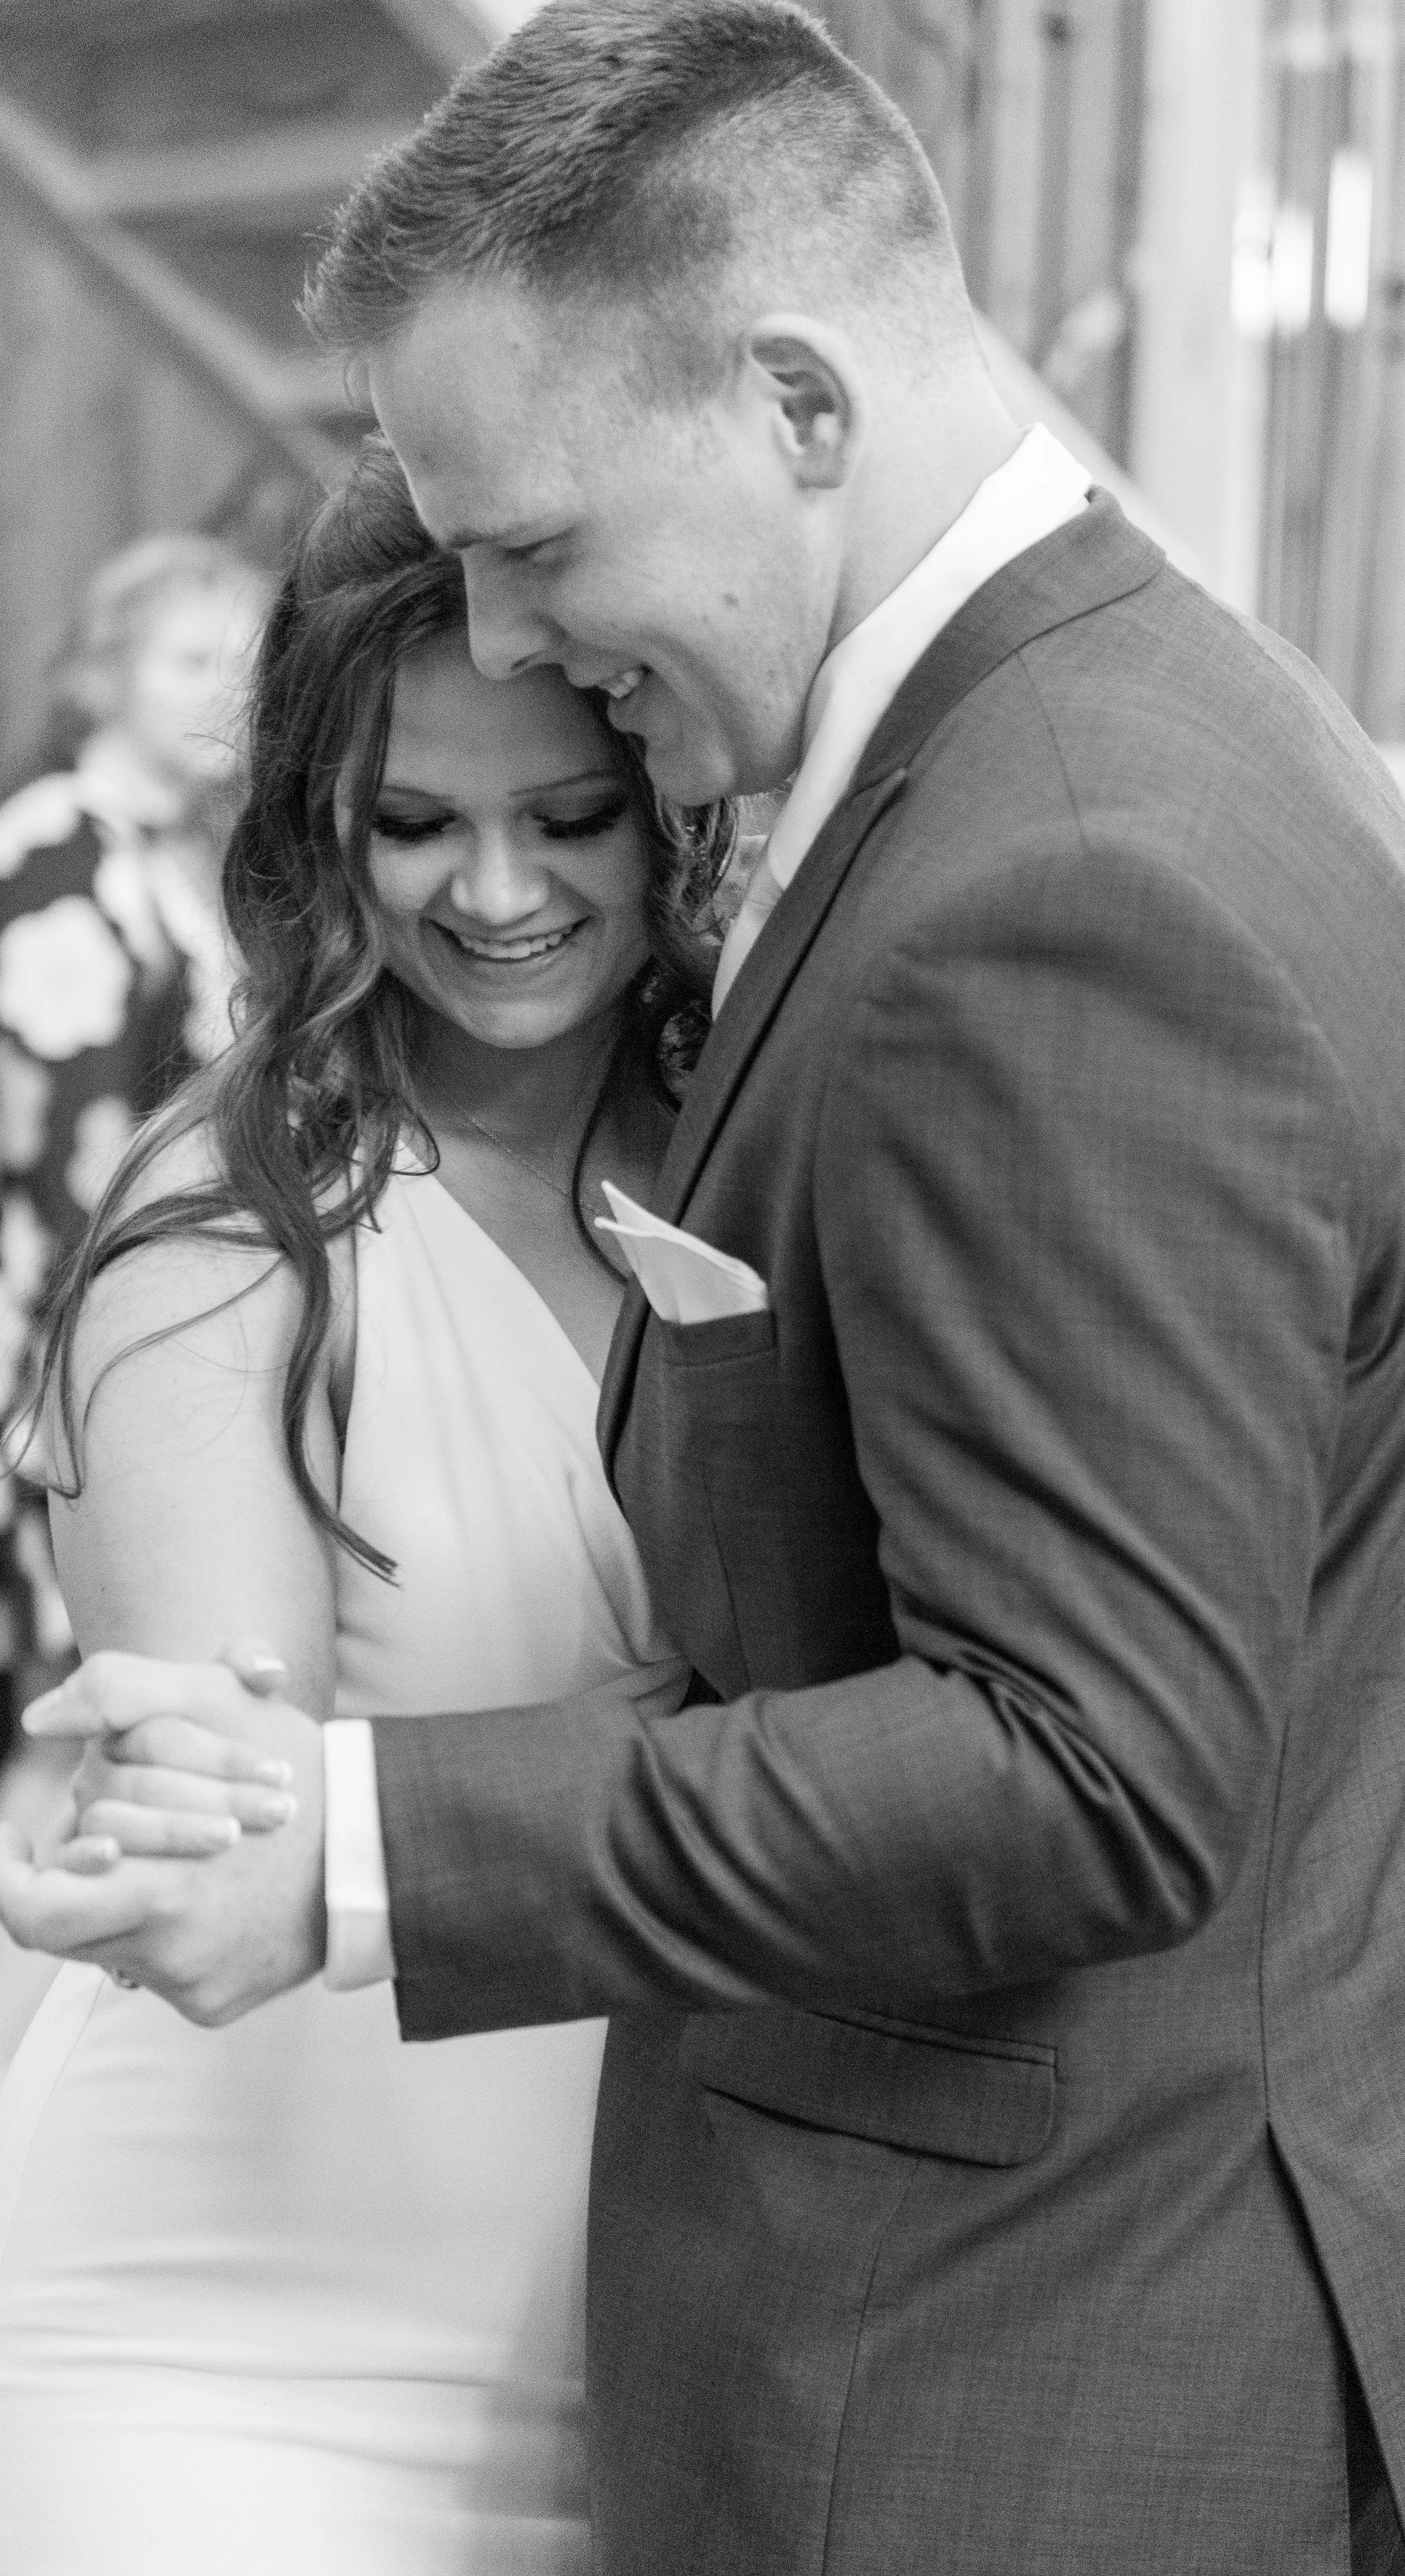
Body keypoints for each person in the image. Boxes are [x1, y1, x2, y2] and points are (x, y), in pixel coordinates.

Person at [0, 8, 1405, 2573]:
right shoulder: (1121, 728)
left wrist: (350, 1838)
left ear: (793, 400)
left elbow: (1091, 1757)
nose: (506, 624)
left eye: (538, 545)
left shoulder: (1052, 877)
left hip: (1061, 2352)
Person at [0, 439, 721, 2573]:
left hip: (668, 2331)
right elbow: (233, 1805)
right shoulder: (237, 1232)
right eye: (413, 821)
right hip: (236, 2356)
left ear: (668, 798)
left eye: (563, 814)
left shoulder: (764, 1153)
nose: (492, 891)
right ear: (320, 831)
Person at [0, 535, 271, 1749]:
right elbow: (55, 1127)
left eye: (241, 664)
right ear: (107, 674)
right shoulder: (61, 848)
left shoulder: (175, 860)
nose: (221, 689)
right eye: (187, 659)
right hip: (42, 1306)